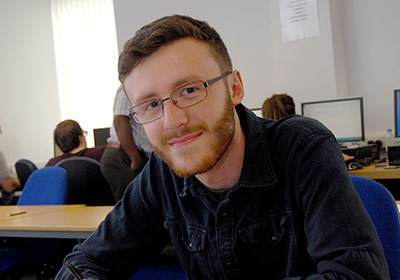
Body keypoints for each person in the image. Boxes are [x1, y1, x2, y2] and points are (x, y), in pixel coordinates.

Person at [56, 15, 389, 279]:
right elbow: (84, 262)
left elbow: (357, 275)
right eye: (151, 105)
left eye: (189, 90)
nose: (172, 122)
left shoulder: (302, 148)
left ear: (235, 88)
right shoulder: (162, 174)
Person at [100, 86, 152, 202]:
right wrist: (135, 158)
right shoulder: (129, 86)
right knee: (134, 208)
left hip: (130, 155)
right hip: (124, 157)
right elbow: (119, 119)